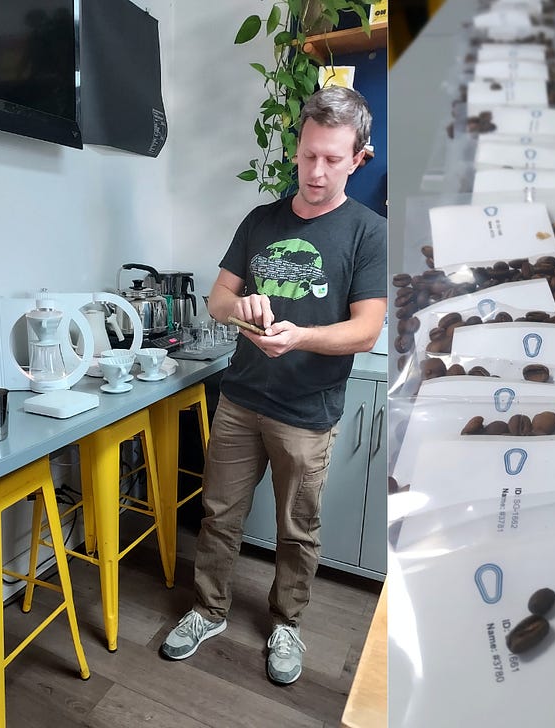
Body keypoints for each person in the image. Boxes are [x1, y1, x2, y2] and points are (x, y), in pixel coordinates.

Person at [159, 85, 386, 685]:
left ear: (359, 157)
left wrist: (300, 337)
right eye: (309, 153)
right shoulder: (260, 220)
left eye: (332, 159)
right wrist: (243, 311)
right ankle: (208, 610)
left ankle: (286, 622)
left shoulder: (369, 232)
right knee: (218, 515)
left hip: (307, 411)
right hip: (240, 400)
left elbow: (366, 331)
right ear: (297, 145)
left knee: (297, 529)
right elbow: (217, 298)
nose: (316, 171)